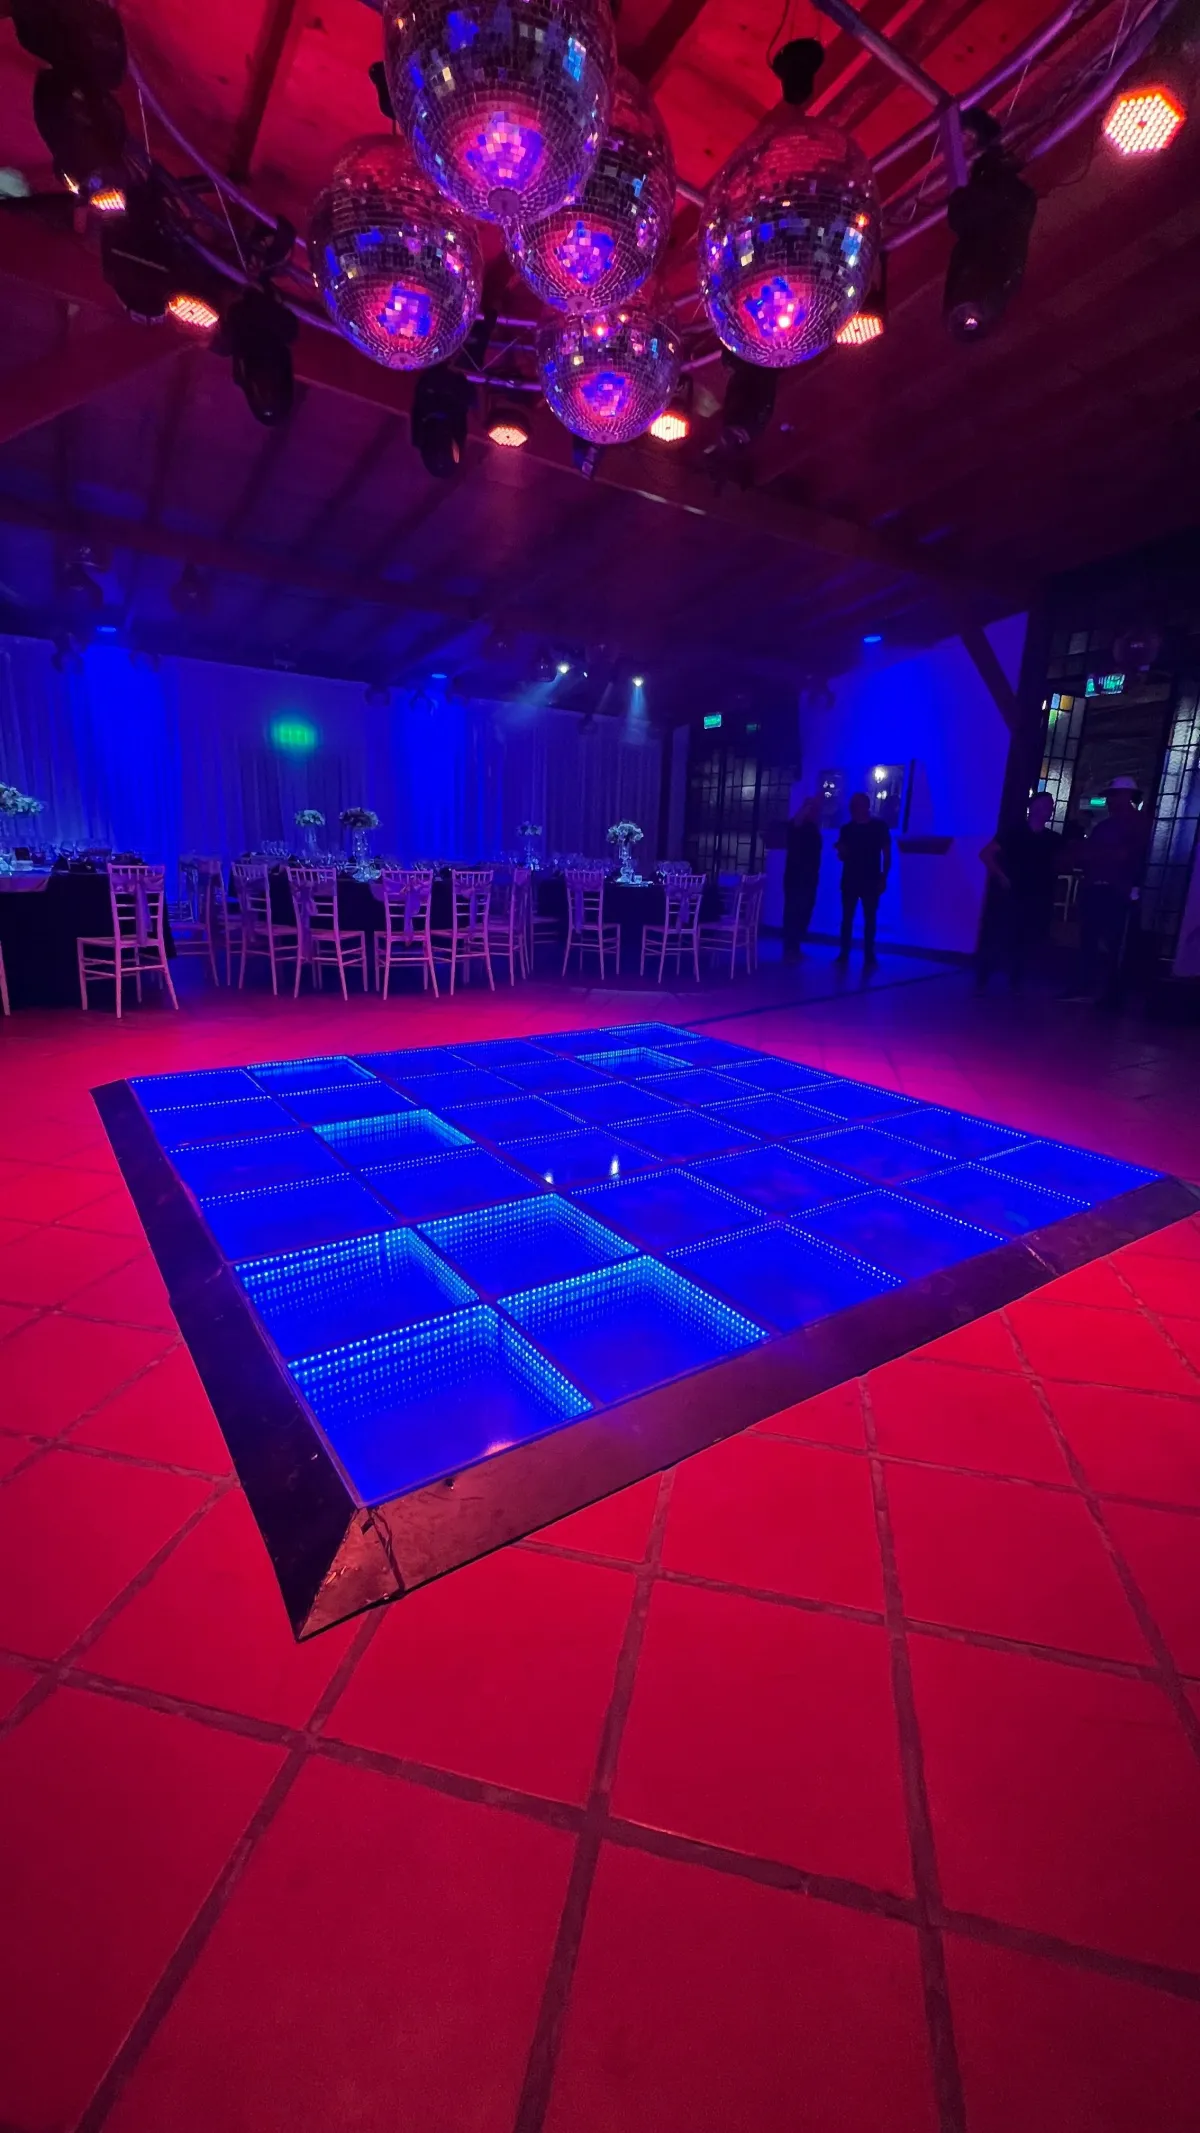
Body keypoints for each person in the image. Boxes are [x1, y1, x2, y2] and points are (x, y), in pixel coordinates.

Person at [1071, 775, 1149, 1006]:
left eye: (1114, 796)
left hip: (1117, 890)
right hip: (1106, 888)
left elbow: (1127, 856)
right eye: (1110, 796)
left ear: (1127, 796)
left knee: (1113, 942)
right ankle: (1097, 988)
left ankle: (1107, 991)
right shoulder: (1114, 825)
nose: (1110, 801)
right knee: (1096, 940)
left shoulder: (1137, 825)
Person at [976, 790, 1063, 989]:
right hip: (1012, 895)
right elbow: (986, 854)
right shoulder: (1013, 833)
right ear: (1033, 808)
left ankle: (1015, 980)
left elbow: (1062, 862)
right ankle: (984, 978)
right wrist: (1001, 876)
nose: (1048, 810)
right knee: (999, 935)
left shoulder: (1053, 839)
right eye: (1044, 805)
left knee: (1025, 938)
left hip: (1036, 896)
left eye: (1050, 806)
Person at [836, 792, 890, 964]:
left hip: (861, 879)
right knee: (858, 918)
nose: (855, 810)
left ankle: (856, 955)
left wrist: (883, 877)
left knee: (859, 918)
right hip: (860, 879)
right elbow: (886, 853)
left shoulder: (850, 829)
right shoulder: (876, 827)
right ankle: (862, 955)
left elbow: (886, 854)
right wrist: (883, 877)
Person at [782, 795, 823, 958]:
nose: (815, 812)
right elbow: (796, 822)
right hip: (796, 878)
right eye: (812, 809)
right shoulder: (797, 825)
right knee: (794, 912)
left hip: (809, 878)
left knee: (804, 911)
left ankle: (795, 946)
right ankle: (790, 948)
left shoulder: (813, 828)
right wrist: (808, 805)